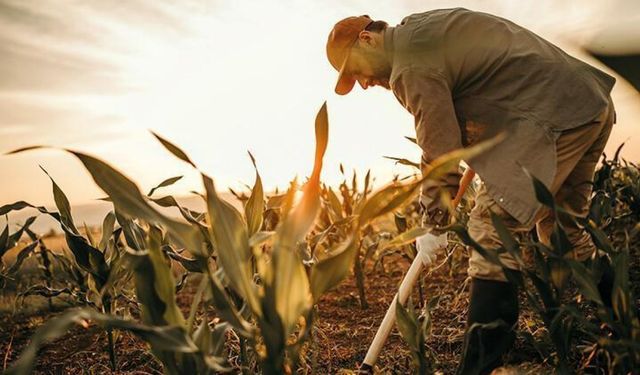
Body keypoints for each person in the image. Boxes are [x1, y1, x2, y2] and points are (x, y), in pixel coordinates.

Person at [326, 8, 616, 374]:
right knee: (565, 234)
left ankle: (479, 367)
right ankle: (623, 332)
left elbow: (440, 149)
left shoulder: (410, 66)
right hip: (585, 103)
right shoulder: (419, 31)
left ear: (367, 40)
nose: (364, 84)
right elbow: (482, 87)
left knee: (489, 231)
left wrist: (432, 221)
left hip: (551, 116)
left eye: (356, 71)